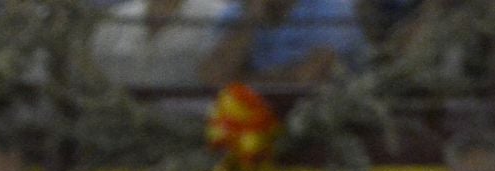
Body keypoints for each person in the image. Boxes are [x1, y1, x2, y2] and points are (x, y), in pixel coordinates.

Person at [199, 0, 367, 87]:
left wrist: (236, 84)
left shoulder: (331, 6)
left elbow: (307, 80)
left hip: (322, 124)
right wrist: (251, 18)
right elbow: (213, 78)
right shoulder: (238, 11)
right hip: (250, 122)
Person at [89, 0, 228, 90]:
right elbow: (96, 71)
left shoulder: (218, 15)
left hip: (190, 124)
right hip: (118, 122)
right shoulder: (117, 18)